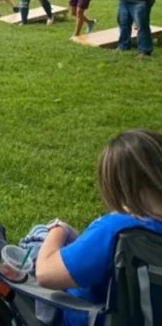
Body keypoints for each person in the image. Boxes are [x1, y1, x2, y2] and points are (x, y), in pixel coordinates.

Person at [35, 129, 162, 326]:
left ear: (117, 185)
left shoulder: (117, 231)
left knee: (38, 240)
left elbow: (44, 274)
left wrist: (58, 229)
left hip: (87, 315)